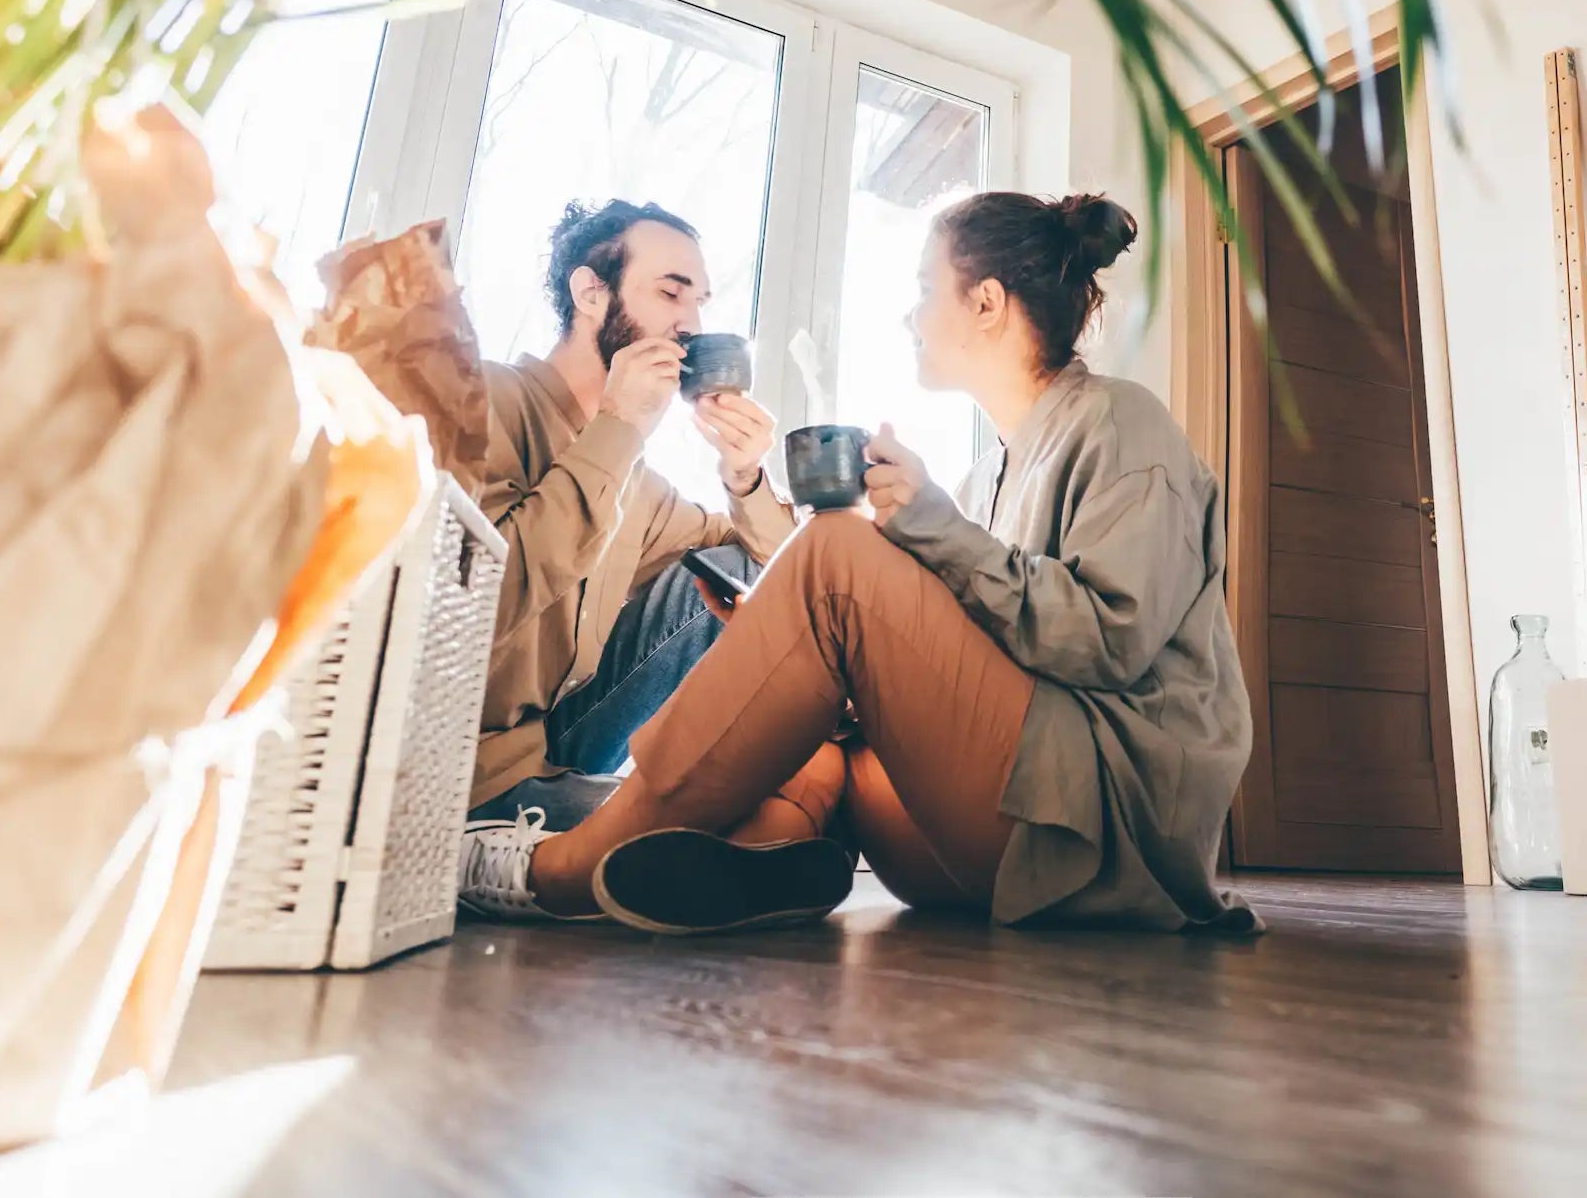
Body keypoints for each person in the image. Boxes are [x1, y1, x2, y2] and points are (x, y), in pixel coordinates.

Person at [457, 191, 1259, 937]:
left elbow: (1108, 639)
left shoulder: (1120, 422)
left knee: (837, 546)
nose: (911, 313)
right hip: (993, 829)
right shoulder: (990, 473)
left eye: (925, 289)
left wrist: (764, 483)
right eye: (674, 292)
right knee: (813, 723)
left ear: (986, 302)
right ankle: (763, 857)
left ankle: (564, 870)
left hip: (1097, 829)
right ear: (590, 291)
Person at [457, 199, 844, 913]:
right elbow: (483, 593)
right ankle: (504, 852)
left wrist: (745, 478)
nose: (691, 322)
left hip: (561, 747)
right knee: (736, 832)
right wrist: (619, 424)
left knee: (730, 579)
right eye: (670, 292)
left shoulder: (637, 483)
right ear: (590, 291)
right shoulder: (482, 400)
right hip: (465, 766)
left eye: (700, 301)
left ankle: (633, 845)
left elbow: (771, 565)